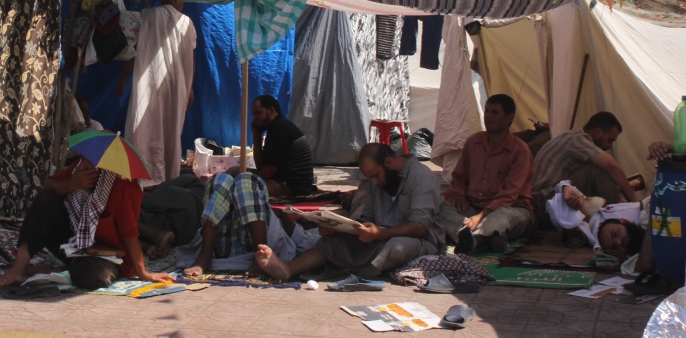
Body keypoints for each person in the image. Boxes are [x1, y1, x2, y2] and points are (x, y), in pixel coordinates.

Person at [255, 143, 444, 282]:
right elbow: (366, 220)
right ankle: (288, 269)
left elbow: (420, 226)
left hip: (419, 242)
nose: (374, 183)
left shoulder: (421, 176)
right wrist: (338, 228)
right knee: (332, 241)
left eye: (375, 176)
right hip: (380, 238)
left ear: (388, 162)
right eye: (370, 178)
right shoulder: (375, 182)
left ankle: (354, 268)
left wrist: (381, 233)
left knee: (397, 247)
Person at [0, 147, 169, 290]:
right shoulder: (78, 169)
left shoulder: (125, 186)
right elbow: (46, 187)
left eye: (92, 161)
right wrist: (71, 184)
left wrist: (143, 273)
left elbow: (129, 233)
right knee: (46, 199)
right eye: (84, 158)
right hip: (74, 244)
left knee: (94, 277)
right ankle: (19, 268)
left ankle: (59, 271)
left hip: (110, 256)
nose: (85, 164)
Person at [440, 94, 535, 253]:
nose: (488, 116)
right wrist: (460, 195)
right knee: (439, 205)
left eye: (495, 112)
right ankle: (483, 238)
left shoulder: (520, 151)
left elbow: (509, 195)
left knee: (502, 215)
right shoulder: (473, 142)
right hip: (474, 207)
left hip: (511, 210)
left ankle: (474, 238)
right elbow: (459, 178)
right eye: (487, 111)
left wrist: (482, 216)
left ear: (509, 117)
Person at [178, 172, 320, 277]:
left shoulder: (271, 211)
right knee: (220, 179)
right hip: (222, 245)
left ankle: (260, 255)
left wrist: (281, 215)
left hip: (256, 246)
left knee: (246, 180)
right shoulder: (229, 198)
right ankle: (205, 255)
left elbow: (303, 243)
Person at [118, 0, 196, 186]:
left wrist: (123, 78)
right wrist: (190, 87)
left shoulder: (147, 16)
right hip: (177, 86)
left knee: (145, 127)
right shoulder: (187, 22)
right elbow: (191, 58)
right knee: (171, 130)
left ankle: (143, 178)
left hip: (150, 83)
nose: (183, 3)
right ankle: (167, 178)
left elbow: (135, 50)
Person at [532, 111, 638, 224]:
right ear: (598, 132)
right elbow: (611, 165)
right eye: (610, 140)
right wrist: (634, 201)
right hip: (543, 205)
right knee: (597, 168)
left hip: (549, 201)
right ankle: (630, 212)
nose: (610, 146)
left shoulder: (573, 136)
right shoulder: (577, 140)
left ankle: (622, 211)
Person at [233, 95, 314, 198]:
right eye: (254, 115)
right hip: (281, 180)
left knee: (240, 187)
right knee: (234, 171)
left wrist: (247, 180)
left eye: (258, 113)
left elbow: (269, 171)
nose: (255, 118)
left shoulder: (279, 128)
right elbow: (261, 166)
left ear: (271, 111)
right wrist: (257, 135)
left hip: (291, 187)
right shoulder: (275, 128)